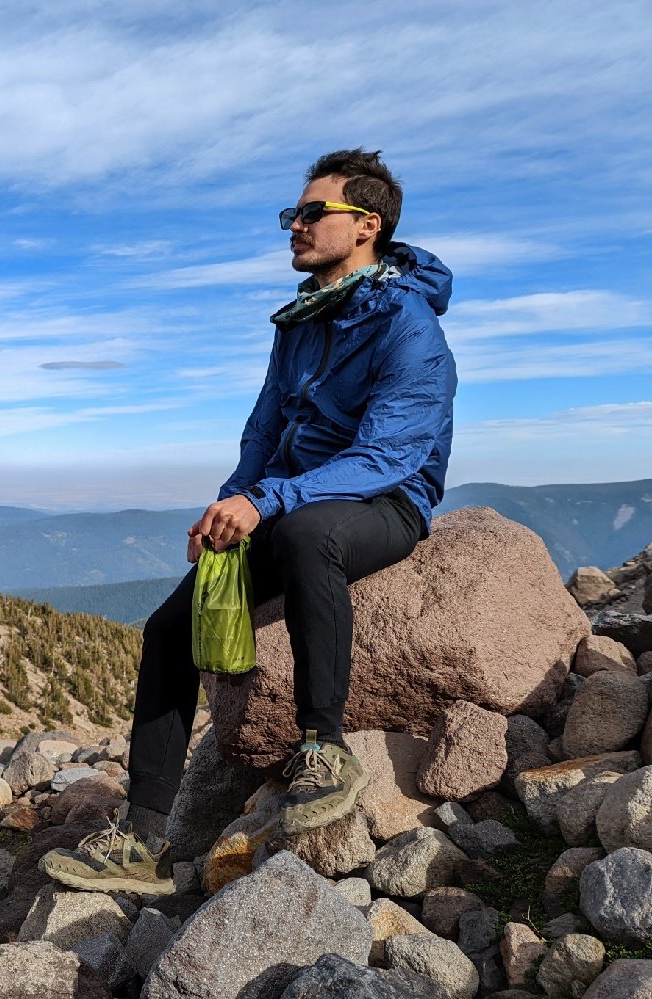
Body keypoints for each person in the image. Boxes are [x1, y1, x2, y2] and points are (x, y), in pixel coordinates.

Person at [41, 149, 457, 895]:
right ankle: (142, 840)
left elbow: (390, 452)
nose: (293, 226)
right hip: (291, 501)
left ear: (366, 225)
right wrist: (227, 505)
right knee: (171, 627)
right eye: (290, 215)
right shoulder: (299, 320)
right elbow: (264, 430)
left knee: (305, 536)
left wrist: (267, 504)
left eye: (310, 213)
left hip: (386, 502)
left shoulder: (408, 322)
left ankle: (323, 747)